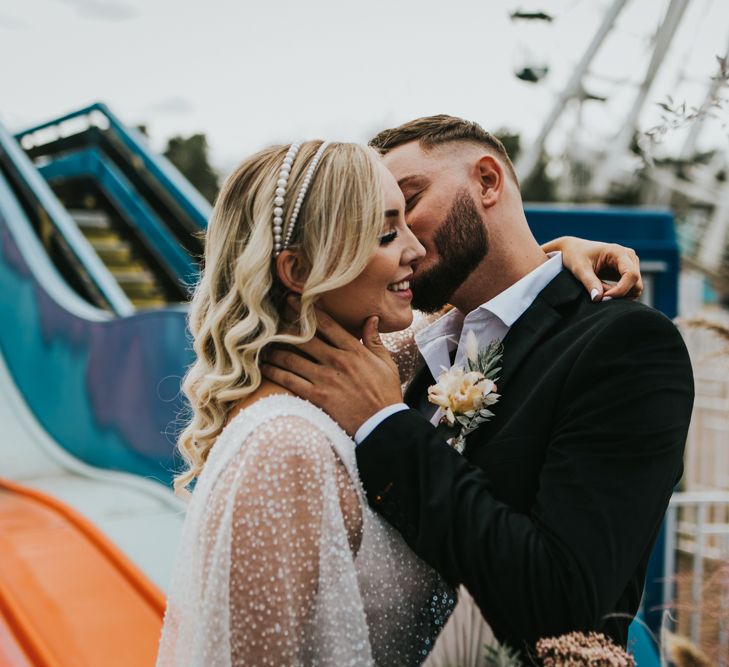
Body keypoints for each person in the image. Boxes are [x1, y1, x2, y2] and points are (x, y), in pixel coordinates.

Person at [157, 138, 645, 666]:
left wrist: (554, 254)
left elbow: (508, 306)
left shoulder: (373, 367)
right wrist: (381, 419)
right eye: (388, 231)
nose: (415, 249)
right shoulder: (285, 447)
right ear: (297, 272)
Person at [263, 116, 695, 657]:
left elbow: (565, 602)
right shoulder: (412, 348)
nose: (405, 243)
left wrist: (386, 425)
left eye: (410, 203)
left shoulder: (624, 345)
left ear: (488, 181)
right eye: (381, 226)